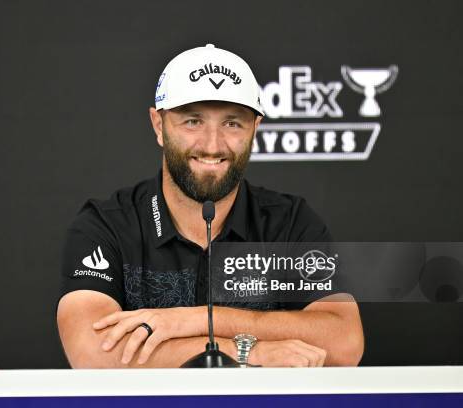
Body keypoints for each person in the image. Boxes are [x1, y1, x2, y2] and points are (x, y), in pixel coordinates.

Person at [57, 44, 363, 368]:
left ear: (255, 130)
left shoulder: (288, 222)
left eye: (232, 123)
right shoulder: (107, 226)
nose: (212, 145)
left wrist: (197, 320)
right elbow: (92, 350)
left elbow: (344, 341)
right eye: (192, 121)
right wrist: (248, 353)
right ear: (159, 125)